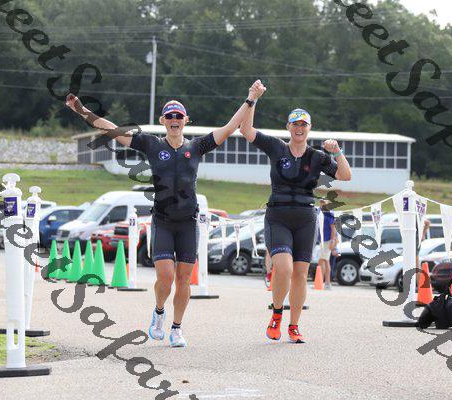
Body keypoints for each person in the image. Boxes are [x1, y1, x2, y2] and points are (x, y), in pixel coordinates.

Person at [65, 80, 265, 347]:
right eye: (169, 116)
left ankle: (177, 328)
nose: (174, 120)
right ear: (162, 121)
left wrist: (251, 98)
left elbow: (230, 127)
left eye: (178, 116)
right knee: (166, 277)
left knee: (184, 279)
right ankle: (159, 311)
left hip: (188, 223)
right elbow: (111, 129)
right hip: (162, 221)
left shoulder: (196, 147)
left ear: (185, 121)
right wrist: (81, 110)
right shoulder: (151, 144)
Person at [239, 100, 352, 343]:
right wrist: (252, 99)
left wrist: (337, 152)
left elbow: (345, 175)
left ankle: (294, 325)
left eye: (303, 124)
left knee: (301, 274)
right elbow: (245, 129)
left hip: (305, 218)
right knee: (284, 268)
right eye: (295, 124)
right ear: (288, 127)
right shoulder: (276, 147)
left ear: (309, 128)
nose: (299, 128)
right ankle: (277, 313)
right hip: (278, 216)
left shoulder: (317, 156)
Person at [317, 198, 336, 290]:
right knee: (322, 261)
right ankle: (321, 282)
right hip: (321, 240)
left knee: (324, 261)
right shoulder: (319, 211)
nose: (322, 204)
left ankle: (327, 283)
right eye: (321, 202)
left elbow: (333, 229)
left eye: (324, 202)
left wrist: (332, 241)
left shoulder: (329, 214)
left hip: (327, 240)